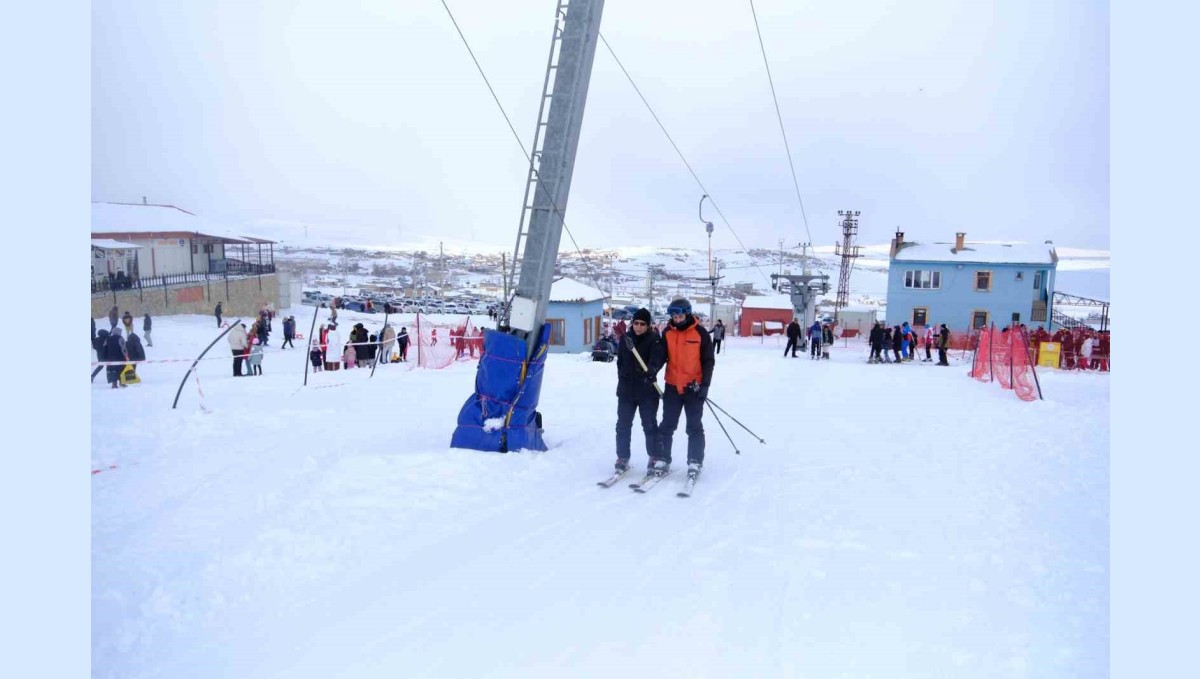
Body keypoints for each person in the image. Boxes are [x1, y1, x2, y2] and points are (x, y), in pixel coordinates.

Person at [655, 298, 715, 480]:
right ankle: (663, 458)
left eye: (680, 315)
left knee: (694, 426)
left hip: (693, 388)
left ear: (687, 313)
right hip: (673, 386)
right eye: (673, 315)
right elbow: (660, 357)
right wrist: (652, 370)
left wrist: (705, 385)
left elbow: (708, 362)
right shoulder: (667, 333)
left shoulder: (700, 334)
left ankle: (695, 460)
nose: (677, 318)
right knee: (667, 425)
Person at [613, 308, 665, 473]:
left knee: (649, 425)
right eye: (636, 323)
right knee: (623, 425)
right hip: (626, 391)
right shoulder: (626, 339)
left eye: (642, 324)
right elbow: (620, 362)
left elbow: (658, 359)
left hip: (647, 392)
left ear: (648, 325)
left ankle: (654, 456)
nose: (638, 326)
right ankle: (623, 457)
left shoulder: (654, 340)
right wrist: (623, 376)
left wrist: (651, 370)